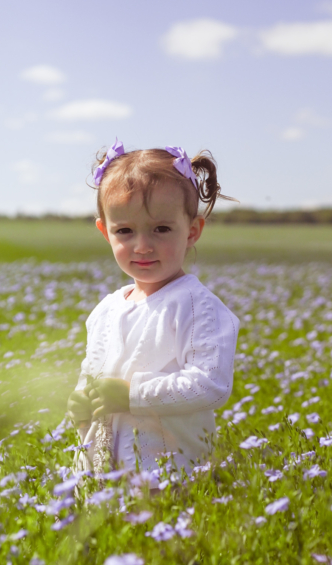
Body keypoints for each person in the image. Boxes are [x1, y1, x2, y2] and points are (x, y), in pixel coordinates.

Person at [68, 139, 240, 477]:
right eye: (125, 231)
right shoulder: (106, 309)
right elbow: (93, 371)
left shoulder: (195, 305)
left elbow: (210, 383)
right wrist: (81, 401)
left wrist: (134, 395)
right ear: (105, 231)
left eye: (161, 229)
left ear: (192, 231)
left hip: (169, 471)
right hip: (103, 471)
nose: (143, 246)